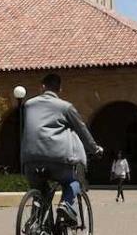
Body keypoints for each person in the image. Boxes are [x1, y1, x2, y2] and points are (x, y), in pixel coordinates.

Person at [21, 73, 103, 224]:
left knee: (41, 191)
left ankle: (35, 225)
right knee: (74, 181)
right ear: (59, 89)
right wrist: (95, 149)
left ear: (42, 87)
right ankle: (65, 206)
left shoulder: (28, 105)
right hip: (58, 159)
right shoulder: (66, 107)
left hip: (30, 160)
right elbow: (81, 130)